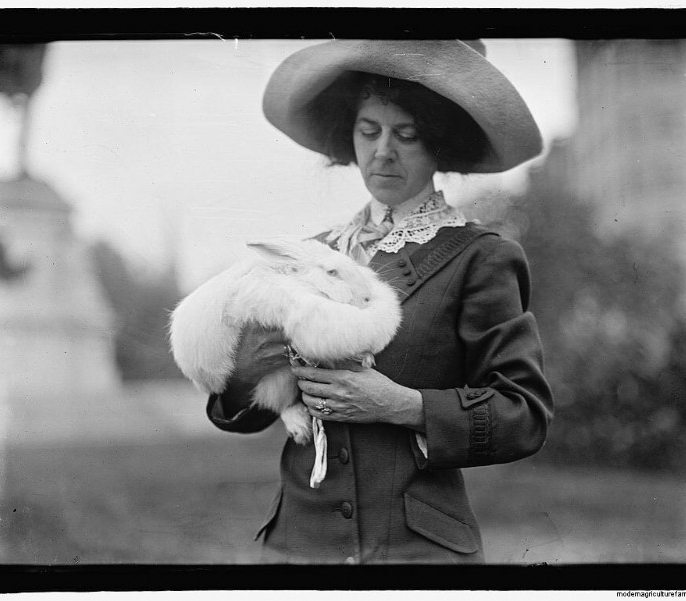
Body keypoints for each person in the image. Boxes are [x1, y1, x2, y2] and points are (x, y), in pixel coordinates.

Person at [205, 40, 553, 564]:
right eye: (369, 131)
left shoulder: (480, 258)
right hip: (298, 546)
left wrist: (402, 406)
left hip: (416, 551)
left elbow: (522, 414)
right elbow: (236, 410)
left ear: (440, 143)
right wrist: (250, 364)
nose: (382, 151)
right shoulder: (312, 256)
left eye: (406, 135)